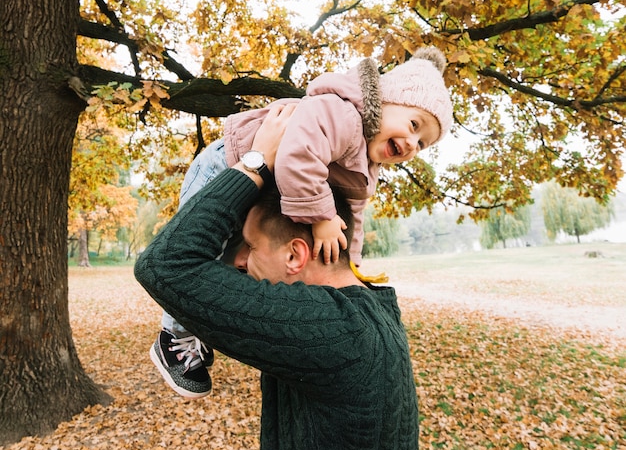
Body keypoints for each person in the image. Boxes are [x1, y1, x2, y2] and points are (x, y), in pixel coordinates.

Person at [152, 47, 453, 398]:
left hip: (258, 188)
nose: (413, 144)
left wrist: (350, 264)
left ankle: (199, 327)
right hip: (225, 166)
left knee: (237, 264)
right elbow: (298, 158)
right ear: (384, 101)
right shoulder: (342, 113)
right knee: (200, 250)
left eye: (423, 143)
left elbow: (352, 214)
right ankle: (173, 336)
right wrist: (323, 217)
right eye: (414, 125)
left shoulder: (367, 167)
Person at [134, 104, 420, 450]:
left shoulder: (328, 330)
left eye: (250, 247)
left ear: (295, 255)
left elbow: (166, 264)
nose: (237, 262)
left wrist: (256, 162)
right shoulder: (366, 310)